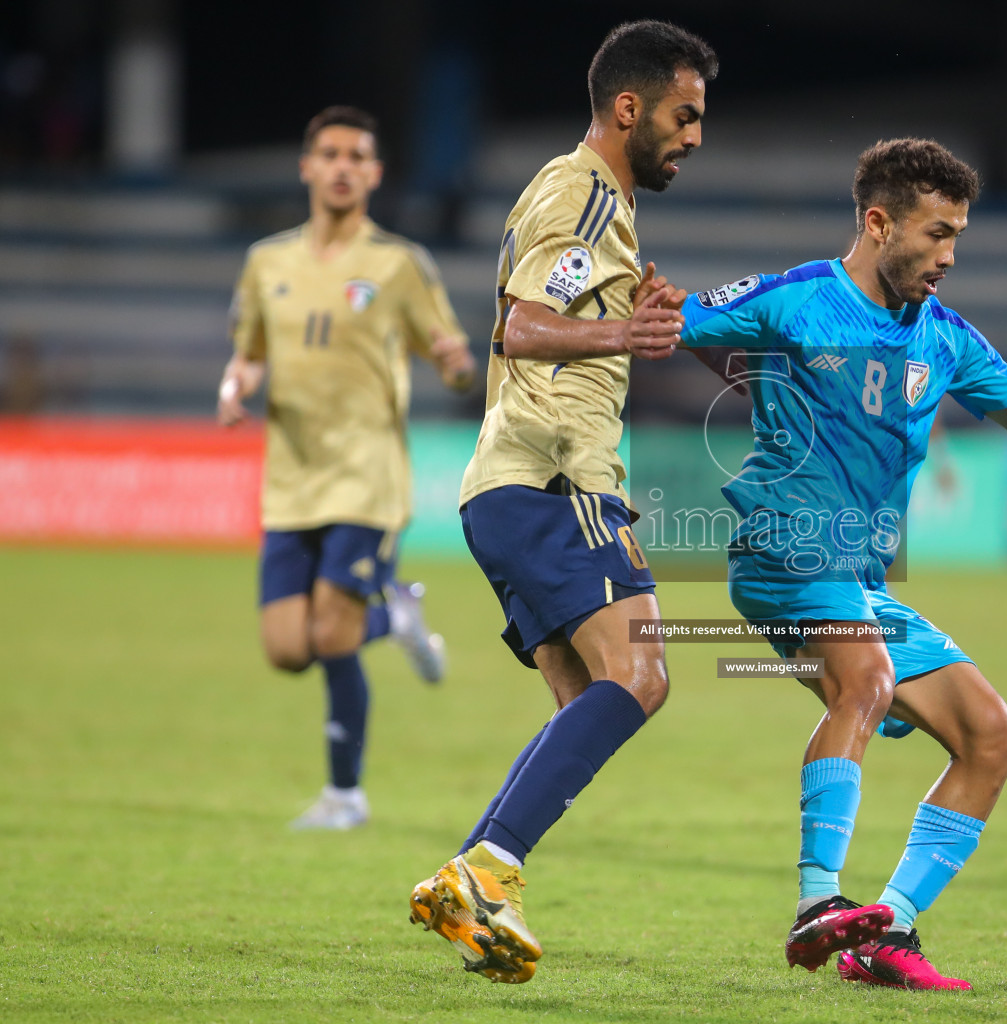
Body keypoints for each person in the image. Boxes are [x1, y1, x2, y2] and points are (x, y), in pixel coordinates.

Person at [679, 138, 1007, 990]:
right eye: (937, 234)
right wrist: (638, 307)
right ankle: (816, 904)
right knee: (865, 680)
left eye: (958, 237)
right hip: (782, 546)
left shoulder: (945, 338)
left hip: (861, 579)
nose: (949, 257)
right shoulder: (798, 298)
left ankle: (889, 935)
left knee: (991, 736)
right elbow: (673, 323)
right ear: (878, 225)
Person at [406, 21, 716, 985]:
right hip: (556, 480)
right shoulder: (581, 191)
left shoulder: (595, 204)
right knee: (645, 676)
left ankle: (474, 886)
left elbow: (556, 313)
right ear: (629, 108)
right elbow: (521, 326)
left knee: (587, 703)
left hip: (509, 488)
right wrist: (627, 328)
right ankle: (484, 867)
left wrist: (633, 318)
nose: (695, 136)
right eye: (684, 114)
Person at [218, 106, 476, 831]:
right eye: (328, 153)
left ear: (374, 173)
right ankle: (395, 614)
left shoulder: (398, 265)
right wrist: (233, 385)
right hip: (292, 479)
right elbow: (250, 351)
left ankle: (344, 796)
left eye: (355, 156)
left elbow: (450, 356)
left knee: (333, 635)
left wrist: (458, 369)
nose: (340, 166)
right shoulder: (268, 262)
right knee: (286, 650)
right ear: (306, 166)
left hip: (367, 477)